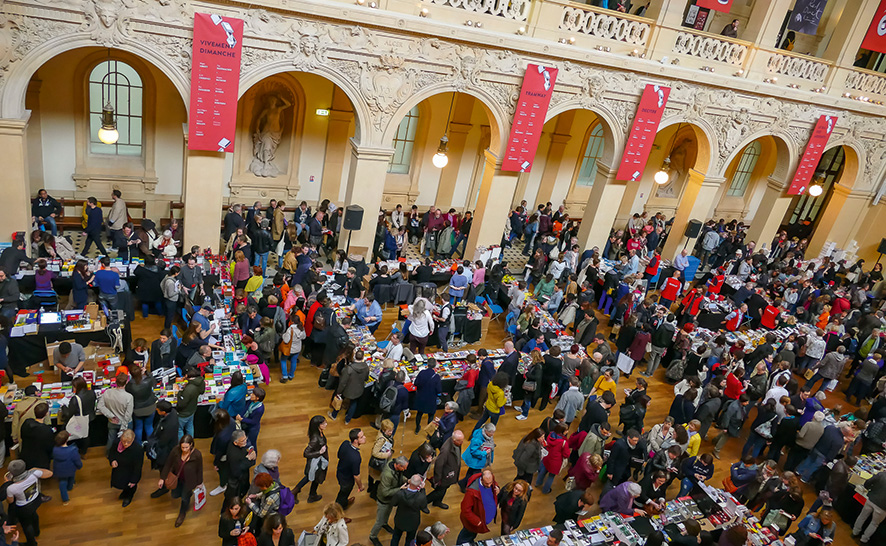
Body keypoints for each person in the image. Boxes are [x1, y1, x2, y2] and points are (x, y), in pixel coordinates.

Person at [157, 435, 204, 527]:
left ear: (191, 445)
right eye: (182, 447)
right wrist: (162, 478)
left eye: (186, 447)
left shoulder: (197, 454)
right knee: (175, 495)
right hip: (177, 478)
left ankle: (182, 513)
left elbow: (200, 469)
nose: (184, 449)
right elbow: (168, 463)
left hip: (190, 480)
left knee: (184, 498)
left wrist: (200, 482)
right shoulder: (175, 451)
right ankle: (187, 495)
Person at [6, 459, 51, 546]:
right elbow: (49, 473)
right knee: (34, 515)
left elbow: (10, 501)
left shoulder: (11, 488)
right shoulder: (34, 473)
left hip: (23, 507)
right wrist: (35, 469)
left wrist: (7, 484)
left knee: (26, 525)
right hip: (36, 500)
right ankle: (37, 531)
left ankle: (32, 543)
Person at [293, 415, 328, 504]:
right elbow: (306, 453)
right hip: (316, 461)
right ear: (318, 425)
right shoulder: (315, 438)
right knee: (312, 476)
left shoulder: (319, 433)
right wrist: (319, 452)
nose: (326, 424)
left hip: (319, 460)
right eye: (323, 423)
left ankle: (311, 494)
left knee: (313, 477)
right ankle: (296, 492)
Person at [457, 468, 499, 545]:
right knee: (467, 534)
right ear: (482, 480)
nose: (489, 485)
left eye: (490, 483)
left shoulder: (489, 479)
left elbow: (494, 483)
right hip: (474, 522)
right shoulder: (471, 492)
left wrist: (497, 487)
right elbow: (465, 509)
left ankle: (470, 541)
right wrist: (477, 521)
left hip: (481, 519)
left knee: (472, 534)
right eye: (487, 484)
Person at [97, 374, 134, 456]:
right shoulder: (129, 397)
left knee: (111, 439)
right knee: (126, 440)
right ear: (126, 382)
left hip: (112, 421)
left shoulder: (107, 392)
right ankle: (125, 455)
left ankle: (109, 454)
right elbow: (128, 414)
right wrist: (123, 427)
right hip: (126, 423)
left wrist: (111, 416)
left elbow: (100, 406)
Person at [427, 430, 464, 510]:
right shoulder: (446, 450)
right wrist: (438, 479)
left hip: (450, 474)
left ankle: (437, 502)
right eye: (460, 441)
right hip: (444, 476)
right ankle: (424, 502)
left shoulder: (457, 444)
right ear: (454, 440)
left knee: (444, 489)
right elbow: (438, 464)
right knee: (439, 491)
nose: (462, 442)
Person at [332, 350, 370, 425]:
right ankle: (347, 420)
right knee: (353, 403)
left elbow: (343, 382)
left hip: (347, 389)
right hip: (358, 390)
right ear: (363, 357)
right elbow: (366, 378)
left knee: (339, 400)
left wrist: (339, 391)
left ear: (355, 356)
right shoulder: (366, 367)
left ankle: (334, 415)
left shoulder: (349, 369)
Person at [390, 474, 428, 546]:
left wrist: (400, 489)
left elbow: (393, 503)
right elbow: (424, 508)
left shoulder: (400, 493)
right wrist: (423, 490)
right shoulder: (421, 497)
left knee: (395, 537)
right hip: (413, 522)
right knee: (410, 540)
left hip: (400, 519)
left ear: (410, 481)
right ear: (419, 485)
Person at [109, 429, 144, 507]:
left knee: (130, 486)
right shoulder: (116, 443)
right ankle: (124, 492)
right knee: (122, 483)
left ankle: (128, 497)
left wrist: (134, 480)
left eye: (128, 442)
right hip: (120, 469)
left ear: (133, 440)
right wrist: (112, 460)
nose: (125, 444)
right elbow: (111, 453)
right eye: (123, 441)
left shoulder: (137, 450)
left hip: (130, 471)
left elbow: (138, 466)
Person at [335, 428, 366, 510]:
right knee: (342, 495)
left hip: (340, 473)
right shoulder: (356, 457)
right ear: (356, 441)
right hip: (347, 480)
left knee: (343, 494)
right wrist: (361, 486)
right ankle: (338, 511)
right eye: (362, 437)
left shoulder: (345, 443)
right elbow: (356, 475)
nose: (365, 437)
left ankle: (344, 503)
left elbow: (339, 456)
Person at [459, 424, 496, 491]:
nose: (493, 434)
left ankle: (463, 483)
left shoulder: (487, 436)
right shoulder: (477, 439)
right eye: (491, 432)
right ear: (486, 431)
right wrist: (485, 453)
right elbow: (473, 451)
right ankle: (468, 487)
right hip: (475, 460)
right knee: (475, 475)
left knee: (470, 473)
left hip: (478, 460)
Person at [126, 365, 157, 444]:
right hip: (150, 407)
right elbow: (154, 380)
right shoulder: (148, 381)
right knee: (149, 427)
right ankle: (151, 445)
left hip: (138, 409)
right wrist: (146, 371)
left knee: (138, 428)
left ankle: (139, 445)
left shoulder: (129, 385)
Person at [853, 470, 886, 543]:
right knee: (874, 524)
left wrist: (869, 489)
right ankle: (864, 539)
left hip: (871, 499)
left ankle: (855, 532)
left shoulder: (881, 474)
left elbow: (868, 482)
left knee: (862, 516)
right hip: (882, 508)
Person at [19, 403, 54, 470]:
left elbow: (21, 436)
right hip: (41, 461)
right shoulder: (46, 430)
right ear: (46, 413)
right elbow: (49, 447)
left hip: (26, 458)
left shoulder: (26, 423)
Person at [51, 431, 81, 505]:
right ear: (66, 440)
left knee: (62, 482)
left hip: (59, 469)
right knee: (71, 477)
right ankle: (70, 488)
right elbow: (77, 460)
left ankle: (65, 499)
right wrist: (79, 466)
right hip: (71, 469)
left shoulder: (54, 449)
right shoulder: (72, 450)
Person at [413, 359, 442, 434]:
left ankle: (417, 428)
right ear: (435, 366)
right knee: (431, 416)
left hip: (421, 397)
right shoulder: (436, 376)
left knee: (419, 413)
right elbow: (439, 390)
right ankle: (429, 432)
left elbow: (416, 383)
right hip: (431, 399)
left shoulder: (422, 373)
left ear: (427, 364)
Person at [176, 367, 205, 439]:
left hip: (184, 413)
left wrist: (180, 393)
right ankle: (190, 441)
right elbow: (201, 391)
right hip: (192, 409)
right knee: (190, 426)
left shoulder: (189, 389)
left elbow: (181, 404)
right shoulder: (200, 381)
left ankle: (182, 444)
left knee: (179, 429)